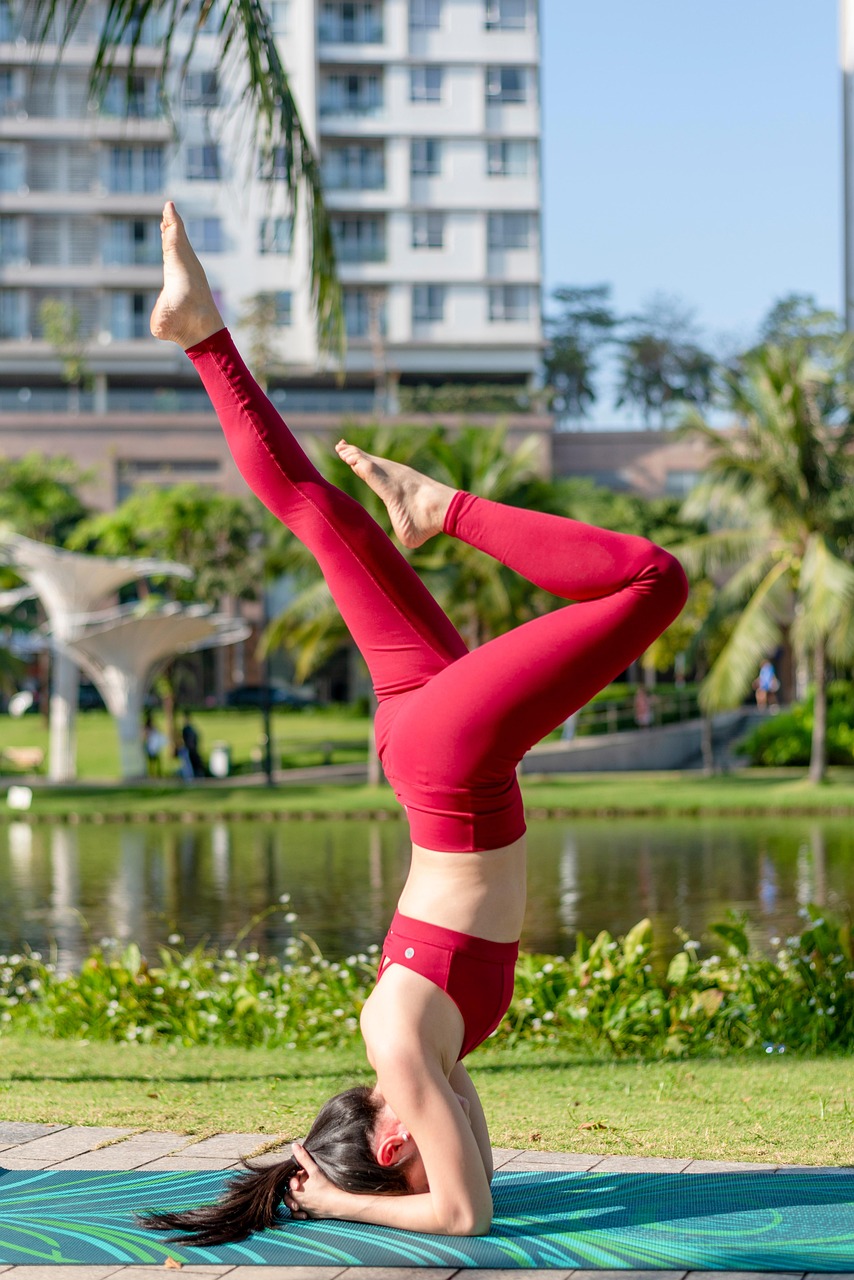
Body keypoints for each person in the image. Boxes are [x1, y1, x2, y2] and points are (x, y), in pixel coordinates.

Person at [141, 203, 689, 1244]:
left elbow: (465, 1215)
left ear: (391, 1140)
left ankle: (446, 510)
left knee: (653, 581)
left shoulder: (401, 1042)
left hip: (451, 766)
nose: (441, 1139)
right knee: (324, 517)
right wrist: (314, 1173)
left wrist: (333, 1198)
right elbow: (475, 1175)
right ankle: (200, 334)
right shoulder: (420, 1058)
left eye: (407, 1156)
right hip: (428, 753)